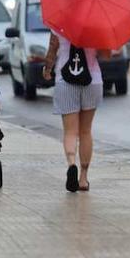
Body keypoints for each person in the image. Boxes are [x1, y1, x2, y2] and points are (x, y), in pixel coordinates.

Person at [43, 33, 110, 192]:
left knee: (70, 132)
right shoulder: (96, 25)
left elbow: (52, 49)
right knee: (85, 131)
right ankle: (83, 178)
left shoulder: (59, 22)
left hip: (65, 81)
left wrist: (47, 69)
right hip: (92, 81)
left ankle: (71, 163)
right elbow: (106, 55)